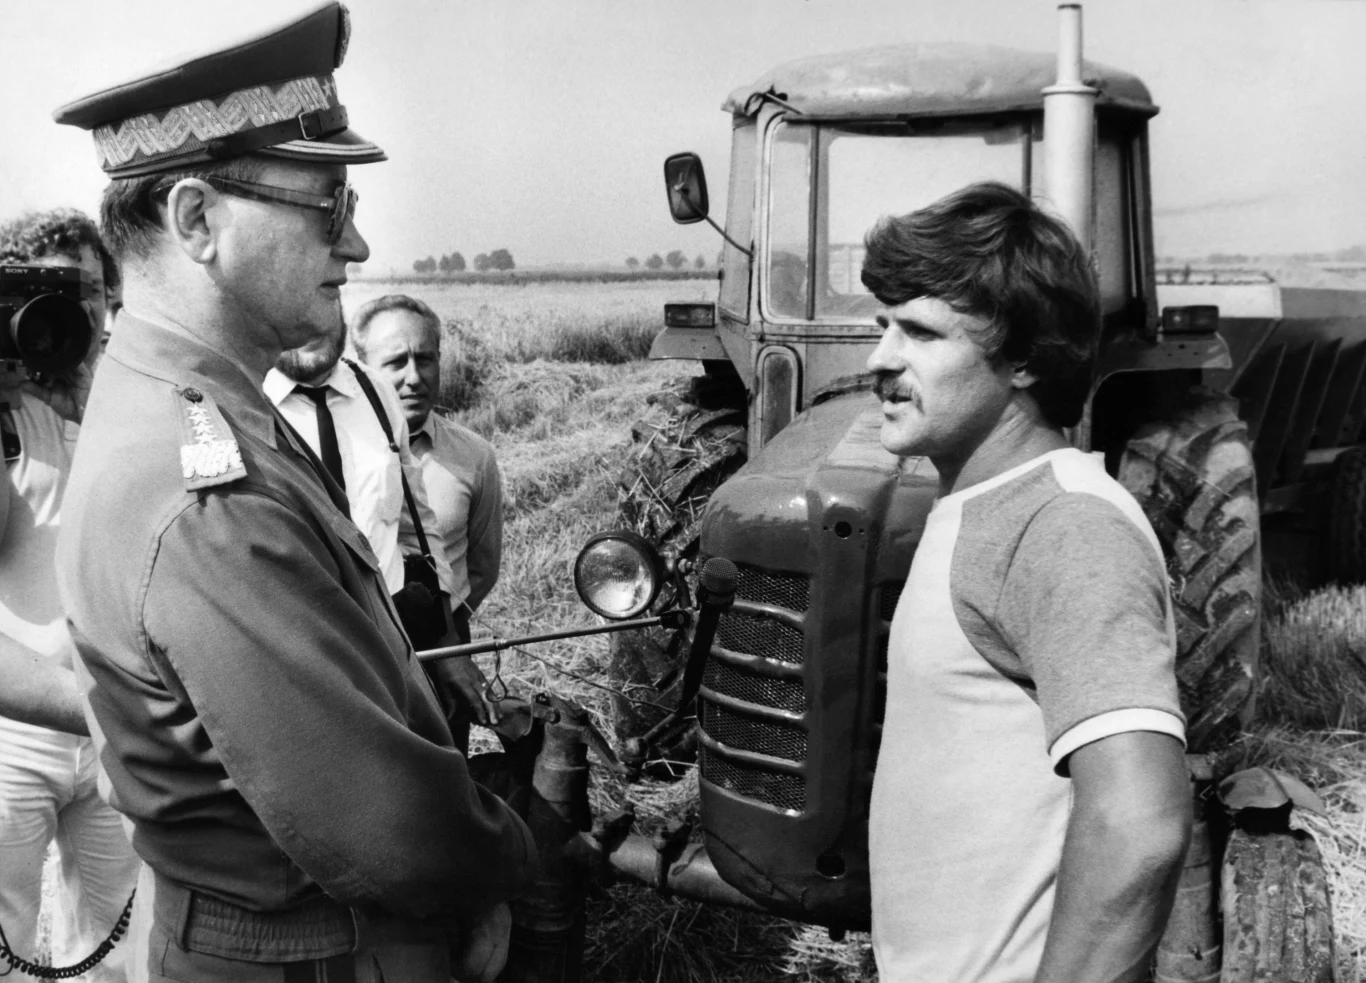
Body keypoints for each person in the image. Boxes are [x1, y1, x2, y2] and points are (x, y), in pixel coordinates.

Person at [51, 4, 534, 982]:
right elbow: (386, 832)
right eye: (327, 205)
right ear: (197, 221)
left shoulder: (182, 404)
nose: (355, 246)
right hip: (307, 953)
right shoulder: (204, 492)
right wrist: (516, 853)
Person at [863, 182, 1191, 983]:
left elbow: (1139, 826)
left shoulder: (1064, 526)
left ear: (1023, 359)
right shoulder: (982, 505)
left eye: (920, 332)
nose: (880, 359)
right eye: (883, 327)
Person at [0, 209, 141, 983]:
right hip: (15, 724)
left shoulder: (138, 394)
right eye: (43, 289)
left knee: (115, 947)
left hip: (116, 715)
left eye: (82, 287)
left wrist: (90, 400)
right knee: (7, 939)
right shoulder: (6, 404)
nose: (67, 308)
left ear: (110, 296)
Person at [265, 308, 499, 737]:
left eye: (321, 298)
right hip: (304, 658)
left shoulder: (374, 392)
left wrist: (446, 644)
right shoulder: (243, 399)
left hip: (398, 646)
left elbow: (418, 523)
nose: (306, 323)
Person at [351, 295, 504, 753]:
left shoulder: (473, 456)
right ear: (360, 368)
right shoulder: (330, 453)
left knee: (448, 769)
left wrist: (440, 629)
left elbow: (482, 568)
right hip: (358, 649)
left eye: (426, 359)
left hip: (446, 649)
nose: (414, 377)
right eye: (396, 362)